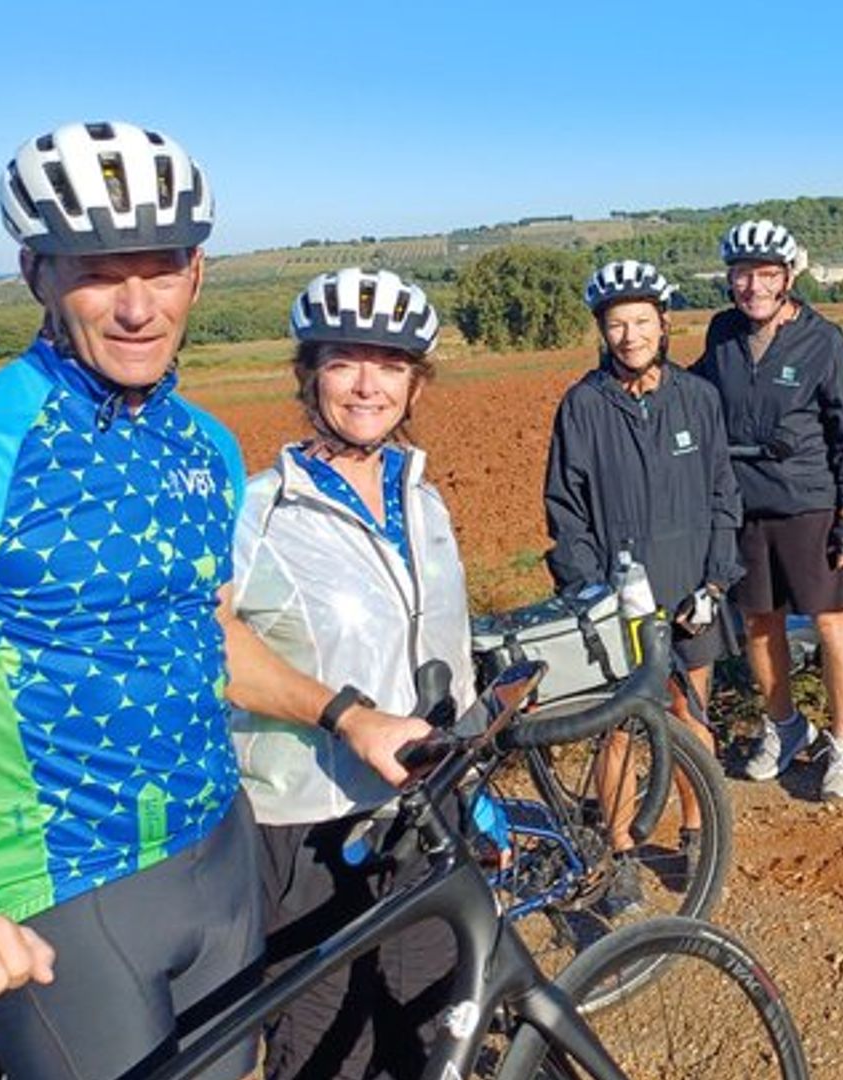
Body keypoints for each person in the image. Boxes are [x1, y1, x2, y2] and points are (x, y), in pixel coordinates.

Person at [0, 119, 263, 1080]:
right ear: (37, 272)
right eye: (95, 271)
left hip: (221, 854)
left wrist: (348, 712)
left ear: (197, 273)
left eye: (159, 269)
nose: (135, 307)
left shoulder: (208, 445)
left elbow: (210, 633)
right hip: (54, 891)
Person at [227, 268, 472, 1079]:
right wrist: (344, 716)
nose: (367, 385)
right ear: (309, 375)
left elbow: (445, 652)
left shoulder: (423, 499)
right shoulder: (259, 511)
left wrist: (473, 786)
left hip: (424, 813)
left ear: (415, 382)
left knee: (432, 1029)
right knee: (329, 1050)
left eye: (391, 365)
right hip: (310, 829)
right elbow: (212, 643)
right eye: (344, 362)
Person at [544, 259, 742, 912]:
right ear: (603, 330)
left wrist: (715, 579)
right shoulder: (582, 405)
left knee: (691, 714)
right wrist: (592, 594)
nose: (629, 335)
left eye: (641, 321)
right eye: (616, 323)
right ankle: (622, 851)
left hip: (692, 592)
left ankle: (696, 831)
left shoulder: (698, 399)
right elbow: (565, 510)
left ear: (664, 323)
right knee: (621, 728)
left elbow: (723, 494)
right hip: (618, 598)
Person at [694, 220, 843, 800]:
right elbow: (695, 397)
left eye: (766, 274)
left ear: (788, 277)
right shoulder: (722, 333)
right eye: (743, 275)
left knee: (830, 622)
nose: (753, 287)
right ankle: (786, 726)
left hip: (810, 502)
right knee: (760, 621)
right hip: (743, 502)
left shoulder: (824, 340)